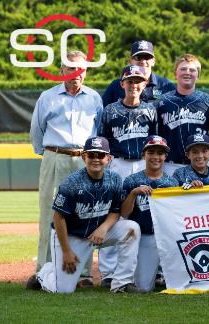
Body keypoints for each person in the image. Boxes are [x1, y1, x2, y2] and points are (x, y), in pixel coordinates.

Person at [26, 137, 141, 293]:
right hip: (71, 237)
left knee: (131, 228)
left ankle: (122, 283)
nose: (95, 159)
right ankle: (45, 274)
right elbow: (58, 218)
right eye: (91, 155)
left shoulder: (114, 179)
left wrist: (104, 228)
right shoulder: (72, 183)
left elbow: (116, 211)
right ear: (83, 157)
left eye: (100, 155)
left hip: (97, 233)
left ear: (109, 158)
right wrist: (66, 251)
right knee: (63, 290)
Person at [29, 50, 103, 287]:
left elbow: (98, 131)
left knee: (86, 213)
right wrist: (49, 155)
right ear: (61, 71)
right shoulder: (47, 97)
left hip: (85, 159)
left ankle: (83, 275)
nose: (75, 73)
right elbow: (37, 132)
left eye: (80, 68)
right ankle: (44, 270)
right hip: (55, 155)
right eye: (70, 68)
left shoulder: (94, 98)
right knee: (48, 214)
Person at [98, 64, 157, 287]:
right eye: (129, 81)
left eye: (137, 81)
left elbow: (156, 139)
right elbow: (102, 140)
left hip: (143, 163)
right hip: (118, 164)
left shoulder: (151, 110)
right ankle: (108, 273)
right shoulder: (110, 110)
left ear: (144, 84)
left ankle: (140, 269)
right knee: (114, 214)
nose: (133, 85)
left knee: (142, 213)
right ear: (122, 84)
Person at [120, 136, 179, 292]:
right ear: (143, 155)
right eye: (151, 152)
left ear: (165, 157)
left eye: (160, 153)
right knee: (144, 287)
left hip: (165, 238)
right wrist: (133, 193)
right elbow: (124, 214)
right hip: (143, 237)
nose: (155, 157)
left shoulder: (172, 184)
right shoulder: (132, 180)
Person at [156, 54, 209, 174]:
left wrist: (202, 146)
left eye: (192, 70)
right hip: (170, 164)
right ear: (175, 74)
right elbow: (155, 133)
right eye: (183, 69)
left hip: (200, 164)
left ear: (198, 75)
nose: (187, 72)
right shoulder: (162, 102)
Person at [102, 40, 175, 107]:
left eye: (147, 57)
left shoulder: (166, 85)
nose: (143, 61)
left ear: (153, 61)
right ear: (130, 61)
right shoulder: (116, 86)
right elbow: (102, 112)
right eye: (138, 57)